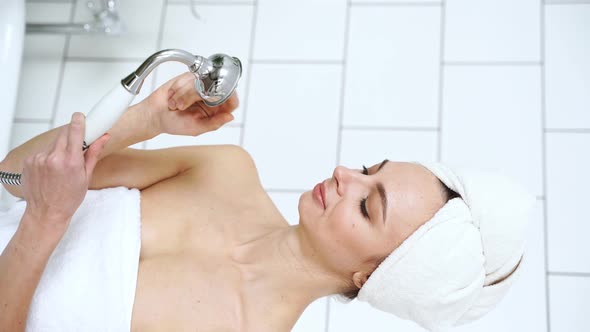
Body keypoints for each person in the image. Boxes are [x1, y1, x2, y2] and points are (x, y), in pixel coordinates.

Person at [0, 72, 534, 332]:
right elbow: (12, 180)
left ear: (371, 278)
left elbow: (39, 209)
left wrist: (46, 224)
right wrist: (144, 121)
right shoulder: (226, 171)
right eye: (371, 170)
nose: (345, 174)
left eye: (368, 206)